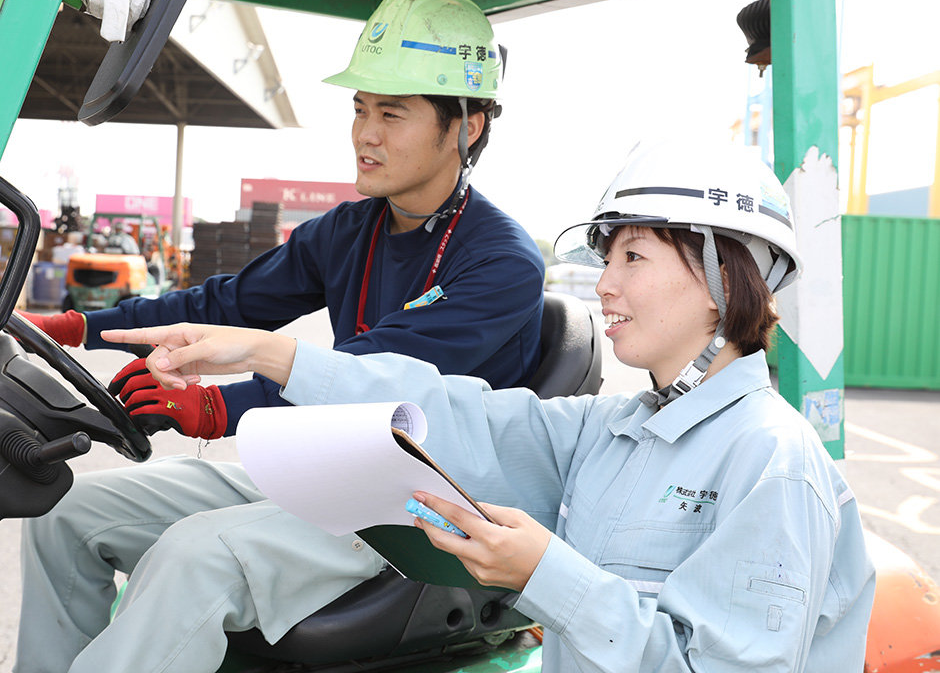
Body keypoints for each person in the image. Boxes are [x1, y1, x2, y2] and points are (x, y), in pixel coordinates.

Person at [103, 142, 876, 672]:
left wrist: (545, 571)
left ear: (722, 277)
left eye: (632, 257)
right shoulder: (613, 431)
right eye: (606, 259)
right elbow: (455, 413)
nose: (605, 284)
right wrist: (272, 355)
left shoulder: (769, 461)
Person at [14, 0, 545, 673]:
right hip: (327, 475)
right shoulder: (349, 229)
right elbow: (230, 302)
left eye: (391, 113)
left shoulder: (500, 263)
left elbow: (376, 379)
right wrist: (77, 325)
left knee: (193, 555)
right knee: (65, 511)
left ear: (466, 127)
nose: (365, 134)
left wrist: (220, 406)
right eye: (359, 109)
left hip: (423, 512)